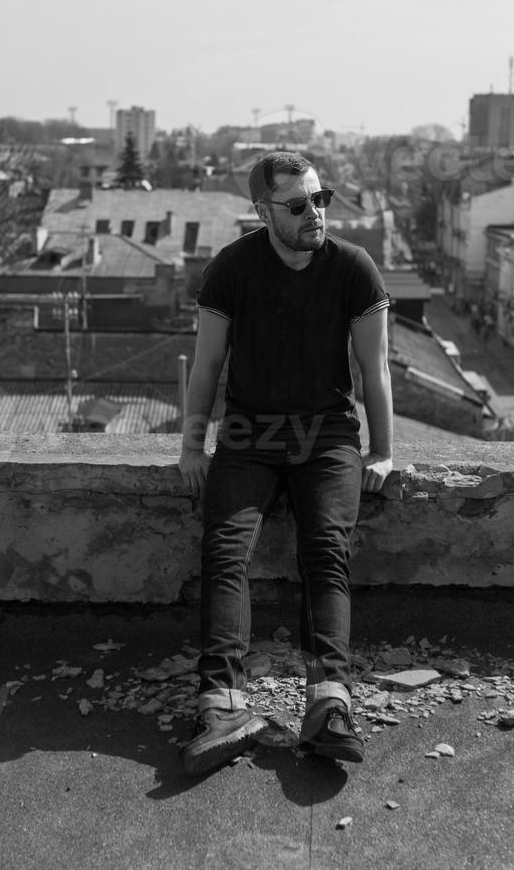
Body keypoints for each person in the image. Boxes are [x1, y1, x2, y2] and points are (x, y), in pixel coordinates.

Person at [177, 151, 393, 776]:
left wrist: (382, 450)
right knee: (224, 549)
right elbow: (207, 368)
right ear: (263, 211)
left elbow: (373, 370)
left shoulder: (354, 267)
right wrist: (193, 446)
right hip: (247, 435)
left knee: (326, 548)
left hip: (327, 437)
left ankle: (329, 702)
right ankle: (222, 705)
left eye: (320, 201)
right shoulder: (231, 269)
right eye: (298, 206)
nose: (314, 215)